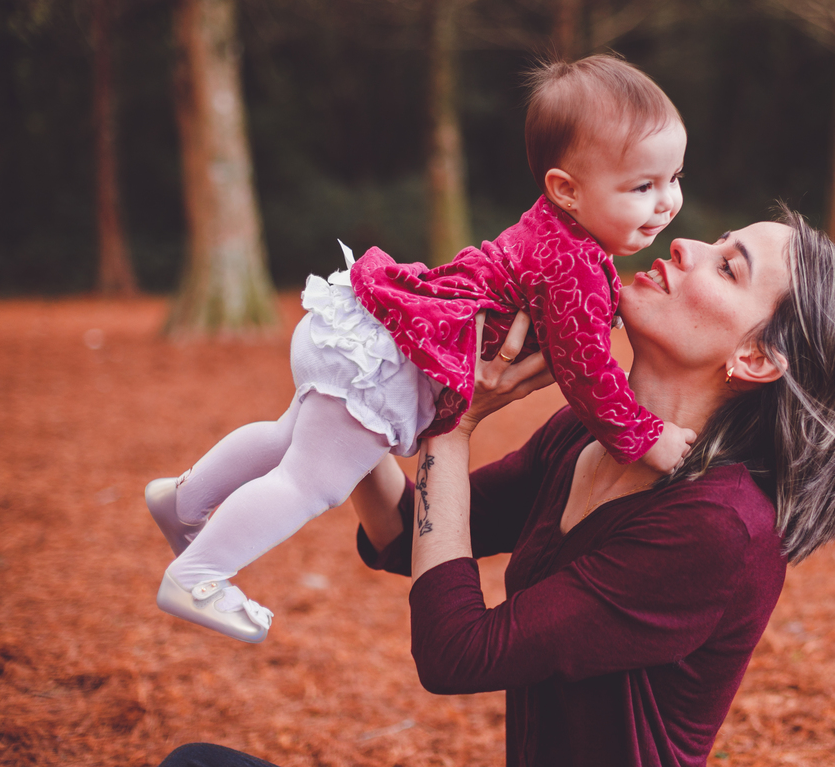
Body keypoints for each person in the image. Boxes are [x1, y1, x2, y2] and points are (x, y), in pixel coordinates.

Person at [159, 210, 835, 767]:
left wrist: (452, 417)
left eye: (728, 267)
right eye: (714, 239)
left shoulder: (719, 530)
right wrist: (363, 392)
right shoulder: (583, 435)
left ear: (756, 357)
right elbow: (403, 535)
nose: (684, 246)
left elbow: (456, 653)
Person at [143, 54, 694, 644]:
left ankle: (182, 501)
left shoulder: (556, 227)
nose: (667, 203)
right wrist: (647, 436)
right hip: (386, 369)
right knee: (311, 483)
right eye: (643, 186)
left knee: (286, 438)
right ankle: (199, 575)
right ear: (566, 189)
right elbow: (588, 372)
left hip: (364, 334)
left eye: (675, 179)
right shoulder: (573, 265)